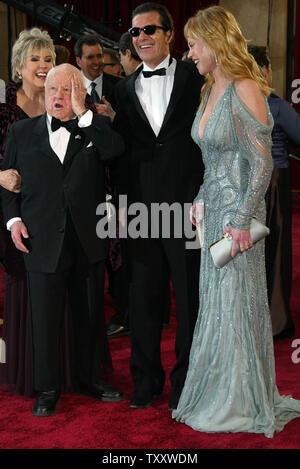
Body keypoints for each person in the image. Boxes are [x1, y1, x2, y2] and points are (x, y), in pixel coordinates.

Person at [172, 6, 300, 438]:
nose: (189, 54)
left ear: (215, 42)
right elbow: (214, 161)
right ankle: (218, 392)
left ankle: (242, 399)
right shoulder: (210, 90)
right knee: (216, 303)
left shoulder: (246, 88)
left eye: (193, 45)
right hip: (213, 214)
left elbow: (262, 166)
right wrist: (198, 199)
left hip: (240, 218)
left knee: (236, 305)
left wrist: (243, 219)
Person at [1, 63, 125, 417]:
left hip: (87, 241)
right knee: (44, 318)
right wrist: (13, 220)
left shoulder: (95, 130)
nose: (59, 96)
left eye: (68, 89)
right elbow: (8, 183)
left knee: (88, 315)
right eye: (53, 89)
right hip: (40, 241)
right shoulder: (22, 132)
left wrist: (85, 114)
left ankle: (90, 379)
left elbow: (115, 152)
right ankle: (47, 388)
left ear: (82, 93)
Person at [113, 2, 204, 411]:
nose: (142, 37)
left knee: (188, 303)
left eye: (150, 29)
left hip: (187, 210)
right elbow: (120, 154)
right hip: (140, 213)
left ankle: (185, 383)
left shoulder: (195, 78)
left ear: (170, 34)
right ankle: (145, 382)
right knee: (143, 304)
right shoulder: (121, 89)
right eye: (135, 32)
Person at [0, 28, 58, 397]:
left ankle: (59, 371)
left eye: (48, 58)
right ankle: (31, 372)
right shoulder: (4, 107)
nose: (42, 65)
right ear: (19, 65)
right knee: (24, 288)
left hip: (54, 215)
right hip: (13, 214)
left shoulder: (63, 101)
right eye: (35, 58)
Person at [248, 44, 300, 339]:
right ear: (264, 70)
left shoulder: (230, 100)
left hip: (243, 184)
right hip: (273, 183)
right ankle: (275, 319)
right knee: (276, 251)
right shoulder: (275, 104)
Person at [74, 34, 120, 107]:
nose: (96, 62)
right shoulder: (69, 87)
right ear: (79, 61)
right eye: (90, 57)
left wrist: (113, 116)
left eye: (99, 56)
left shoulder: (119, 86)